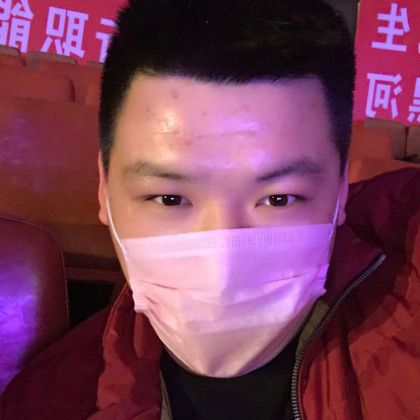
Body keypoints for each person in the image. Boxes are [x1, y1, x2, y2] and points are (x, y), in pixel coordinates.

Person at [1, 0, 419, 419]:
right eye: (170, 199)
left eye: (278, 199)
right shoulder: (51, 402)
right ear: (104, 191)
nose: (224, 266)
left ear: (341, 190)